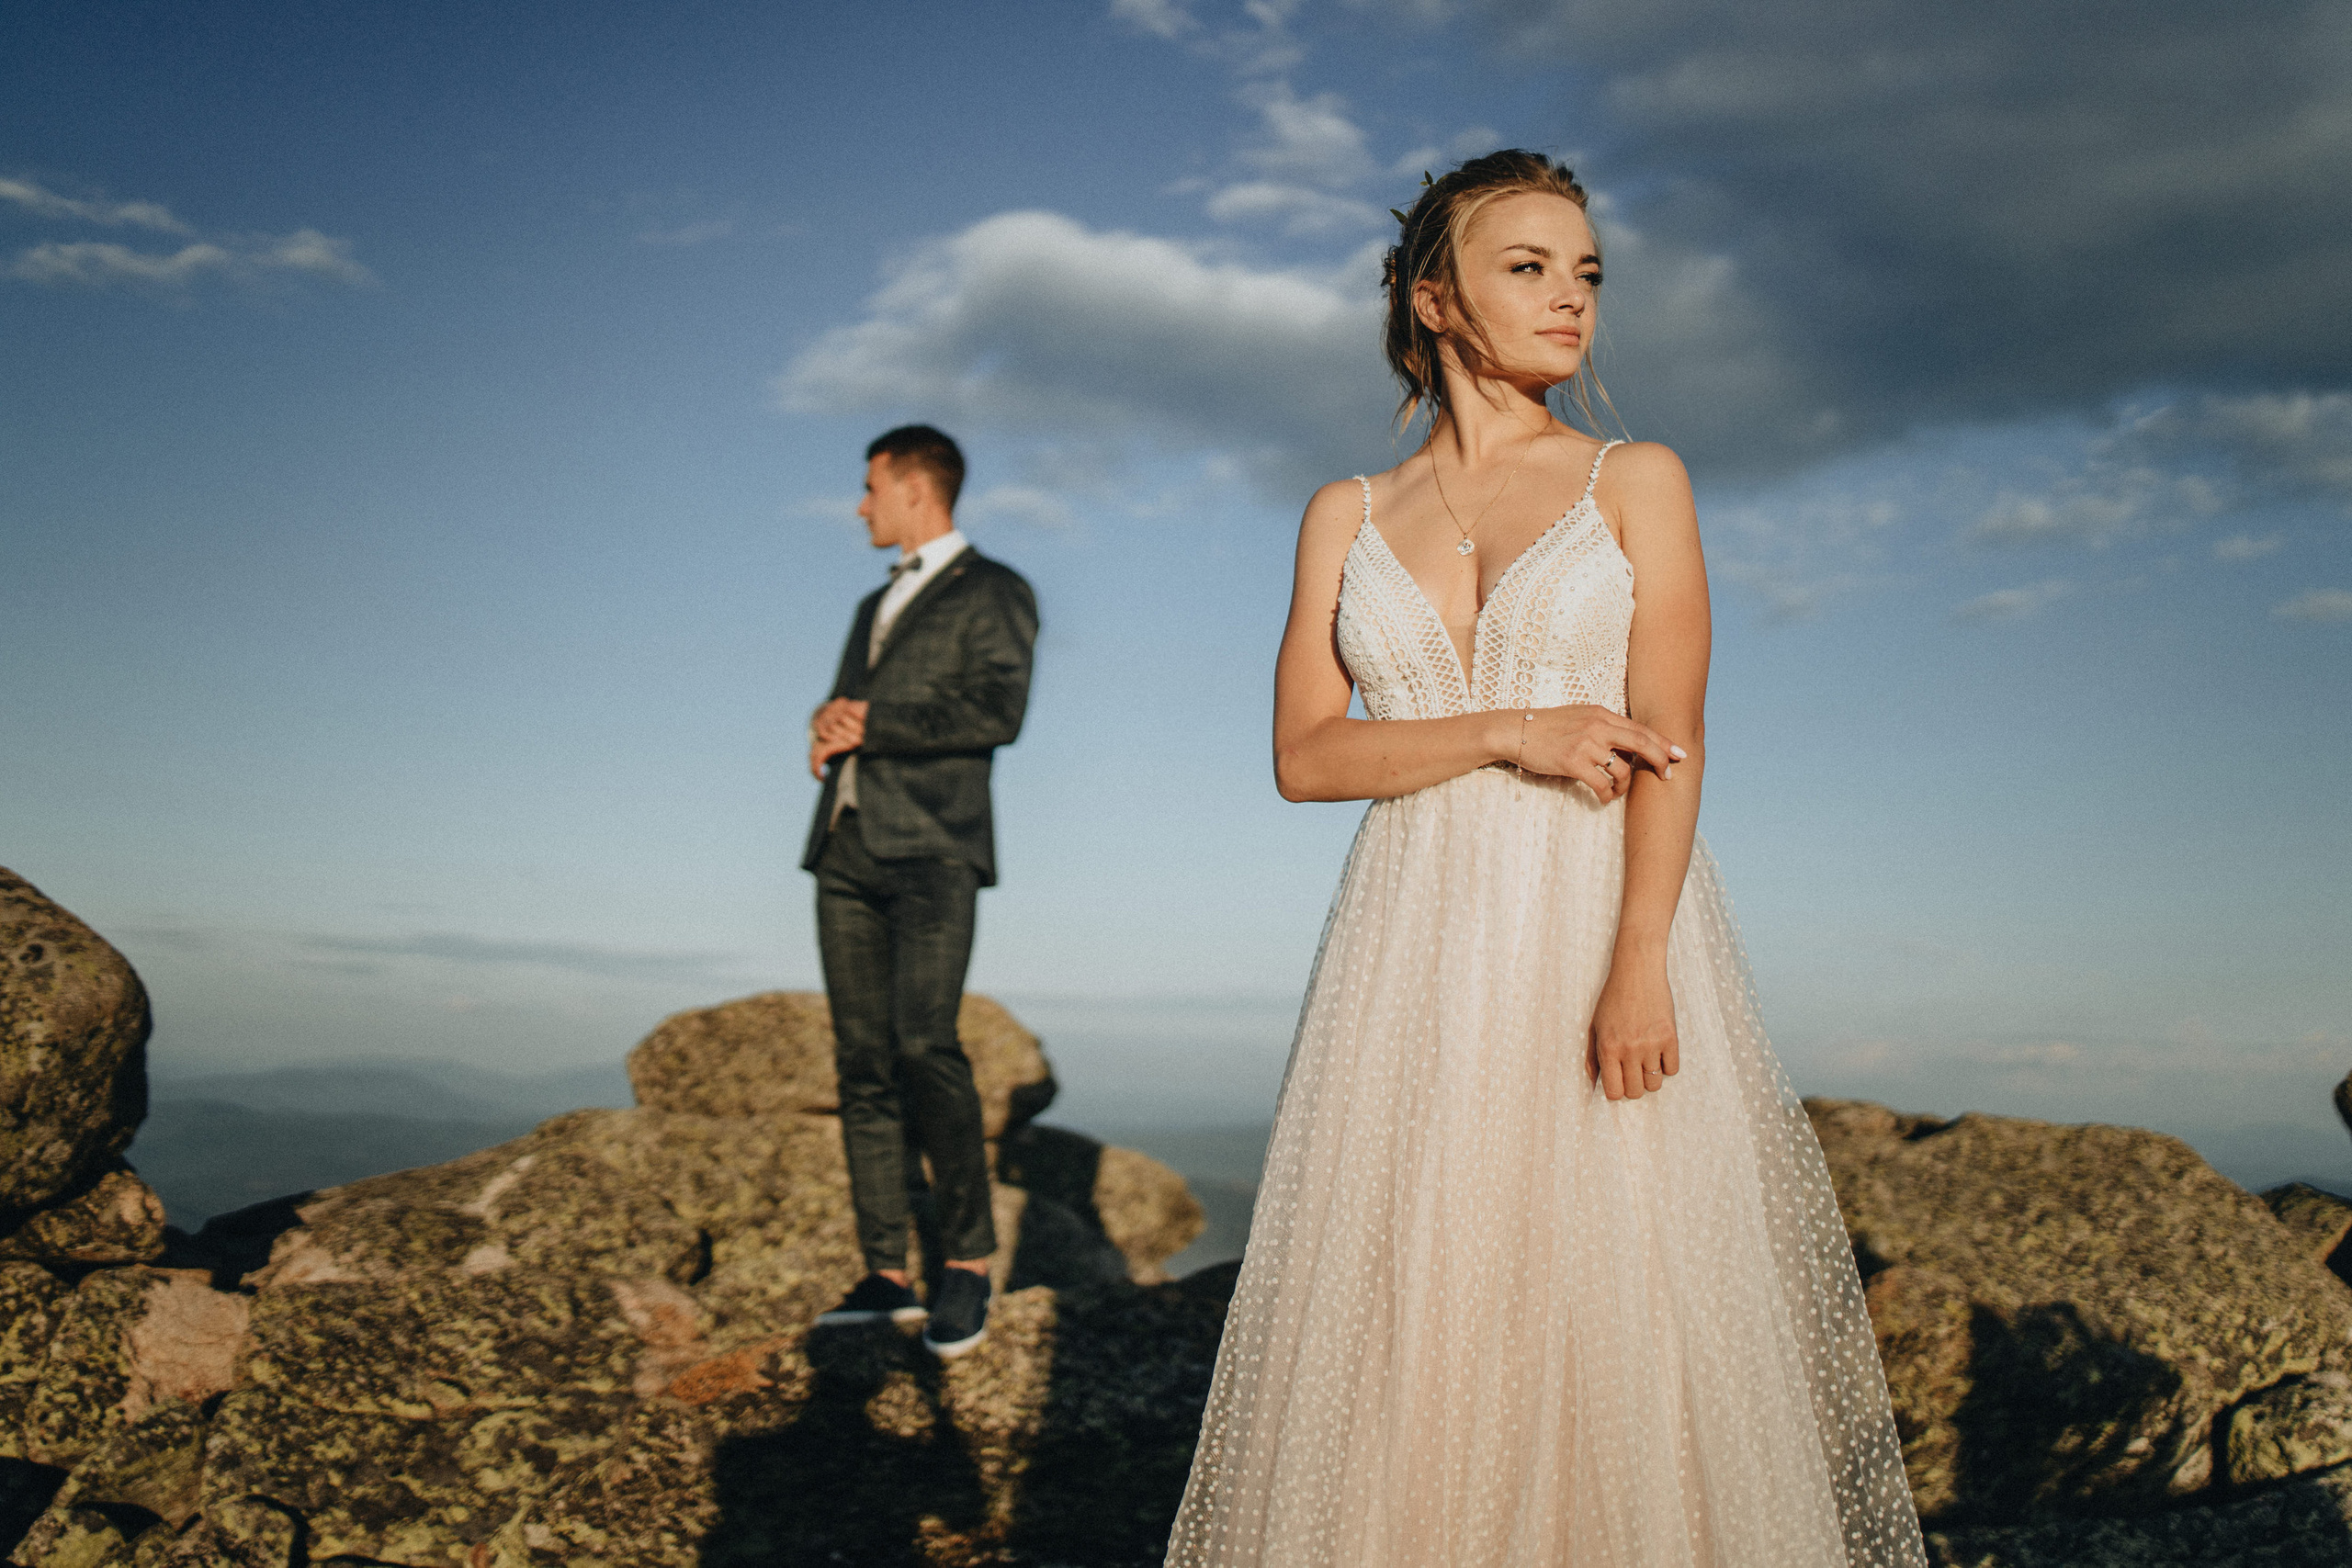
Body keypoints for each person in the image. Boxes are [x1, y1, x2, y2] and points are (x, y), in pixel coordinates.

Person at [1163, 153, 1928, 1566]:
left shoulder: (1635, 477)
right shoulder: (1347, 512)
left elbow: (1674, 739)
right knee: (1424, 1304)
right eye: (1529, 266)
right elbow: (1306, 757)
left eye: (1586, 272)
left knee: (1617, 1307)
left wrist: (1640, 961)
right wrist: (1512, 725)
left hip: (1594, 922)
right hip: (1413, 945)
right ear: (1436, 298)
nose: (1571, 296)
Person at [802, 424, 1038, 1359]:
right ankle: (884, 1271)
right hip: (843, 845)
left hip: (935, 849)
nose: (860, 505)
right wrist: (826, 725)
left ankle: (968, 1266)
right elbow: (843, 709)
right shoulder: (871, 604)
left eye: (869, 487)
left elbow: (998, 711)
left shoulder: (996, 590)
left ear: (913, 488)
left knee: (923, 1045)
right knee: (861, 1060)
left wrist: (874, 719)